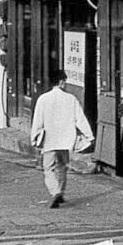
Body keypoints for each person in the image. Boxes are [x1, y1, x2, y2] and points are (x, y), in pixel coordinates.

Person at [30, 69, 94, 209]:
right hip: (65, 140)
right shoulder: (70, 99)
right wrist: (89, 136)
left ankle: (55, 192)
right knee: (62, 167)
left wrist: (34, 138)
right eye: (64, 81)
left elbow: (37, 121)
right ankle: (61, 192)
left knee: (48, 168)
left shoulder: (43, 99)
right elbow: (80, 119)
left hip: (49, 140)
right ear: (61, 82)